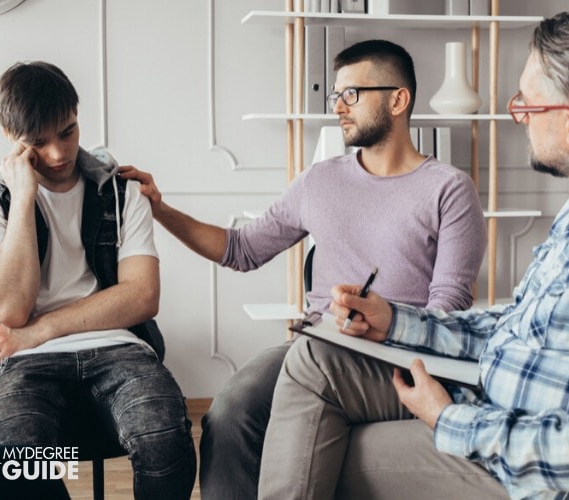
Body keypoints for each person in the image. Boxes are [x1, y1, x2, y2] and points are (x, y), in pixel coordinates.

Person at [259, 10, 569, 499]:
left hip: (532, 478)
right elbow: (518, 324)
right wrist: (396, 321)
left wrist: (448, 419)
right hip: (495, 398)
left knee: (317, 452)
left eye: (526, 107)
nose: (519, 118)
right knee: (314, 363)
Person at [120, 39, 487, 498]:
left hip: (399, 356)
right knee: (229, 411)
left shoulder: (449, 189)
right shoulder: (320, 180)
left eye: (352, 93)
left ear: (398, 99)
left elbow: (449, 307)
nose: (339, 107)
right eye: (336, 95)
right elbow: (242, 249)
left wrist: (387, 322)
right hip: (318, 345)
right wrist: (161, 209)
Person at [0, 61, 196, 499]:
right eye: (38, 143)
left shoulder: (120, 191)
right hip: (20, 362)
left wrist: (42, 329)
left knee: (164, 435)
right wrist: (25, 196)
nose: (59, 154)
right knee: (19, 460)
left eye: (67, 131)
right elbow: (10, 310)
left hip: (117, 347)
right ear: (11, 139)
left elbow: (142, 296)